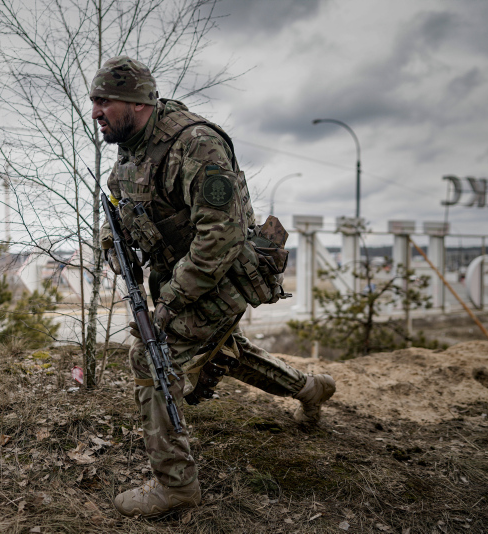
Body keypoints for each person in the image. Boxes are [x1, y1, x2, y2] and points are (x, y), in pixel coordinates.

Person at [91, 56, 336, 518]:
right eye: (94, 101)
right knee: (225, 350)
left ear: (138, 102)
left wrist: (169, 302)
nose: (96, 112)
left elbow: (220, 239)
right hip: (185, 275)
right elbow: (119, 203)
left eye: (105, 101)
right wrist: (110, 243)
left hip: (222, 275)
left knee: (152, 357)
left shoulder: (196, 145)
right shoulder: (130, 149)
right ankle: (309, 389)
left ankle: (176, 486)